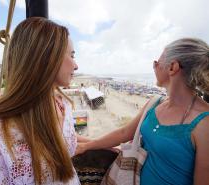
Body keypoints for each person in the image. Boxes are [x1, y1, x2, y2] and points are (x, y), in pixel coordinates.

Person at [76, 38, 209, 185]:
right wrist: (86, 145)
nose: (154, 67)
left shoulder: (204, 122)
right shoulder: (156, 102)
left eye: (156, 63)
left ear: (173, 67)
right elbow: (124, 133)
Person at [0, 17, 89, 184]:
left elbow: (64, 140)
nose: (76, 66)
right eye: (71, 55)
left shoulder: (64, 106)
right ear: (47, 58)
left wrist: (99, 143)